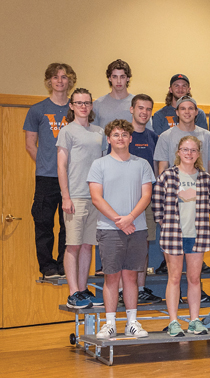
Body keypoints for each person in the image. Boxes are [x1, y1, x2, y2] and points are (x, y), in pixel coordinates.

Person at [87, 119, 155, 339]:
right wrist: (119, 220)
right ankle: (110, 324)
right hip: (109, 229)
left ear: (130, 138)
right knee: (111, 278)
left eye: (124, 135)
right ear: (109, 139)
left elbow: (146, 196)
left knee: (131, 277)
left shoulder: (142, 164)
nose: (120, 138)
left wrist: (130, 218)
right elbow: (96, 197)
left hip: (137, 228)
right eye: (116, 135)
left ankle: (132, 322)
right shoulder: (99, 164)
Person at [154, 135, 210, 336]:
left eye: (193, 150)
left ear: (198, 154)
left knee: (195, 278)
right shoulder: (168, 176)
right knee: (174, 278)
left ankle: (195, 320)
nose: (189, 154)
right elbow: (157, 204)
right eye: (185, 149)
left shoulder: (205, 178)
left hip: (197, 235)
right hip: (173, 235)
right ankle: (173, 322)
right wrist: (166, 223)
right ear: (178, 152)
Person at [25, 62, 75, 278]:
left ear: (70, 81)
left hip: (72, 178)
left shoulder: (75, 110)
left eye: (64, 77)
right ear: (49, 81)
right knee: (44, 223)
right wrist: (47, 163)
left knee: (68, 225)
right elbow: (30, 144)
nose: (60, 81)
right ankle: (47, 267)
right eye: (56, 77)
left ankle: (65, 266)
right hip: (46, 177)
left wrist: (66, 168)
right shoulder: (37, 110)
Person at [57, 88, 106, 309]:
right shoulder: (67, 131)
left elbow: (105, 164)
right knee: (73, 245)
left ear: (91, 105)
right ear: (72, 106)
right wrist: (65, 196)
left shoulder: (99, 132)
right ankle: (73, 291)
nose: (83, 106)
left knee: (88, 245)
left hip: (95, 197)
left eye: (86, 102)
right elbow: (61, 165)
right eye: (79, 103)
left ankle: (83, 288)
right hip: (75, 196)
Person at [126, 94, 164, 304]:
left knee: (143, 245)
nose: (144, 112)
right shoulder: (123, 135)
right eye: (140, 108)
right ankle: (124, 290)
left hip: (146, 199)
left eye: (148, 109)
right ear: (132, 109)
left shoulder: (153, 137)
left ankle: (140, 288)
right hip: (123, 200)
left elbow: (158, 169)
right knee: (123, 245)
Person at [155, 97, 210, 174]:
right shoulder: (165, 136)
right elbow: (163, 167)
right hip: (175, 184)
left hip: (201, 184)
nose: (187, 112)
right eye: (183, 109)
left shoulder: (208, 136)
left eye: (190, 108)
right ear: (177, 112)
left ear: (196, 112)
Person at [92, 59, 140, 129]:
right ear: (109, 78)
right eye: (114, 77)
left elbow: (146, 133)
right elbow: (93, 134)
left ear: (128, 78)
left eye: (122, 77)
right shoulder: (98, 104)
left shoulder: (138, 104)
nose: (118, 81)